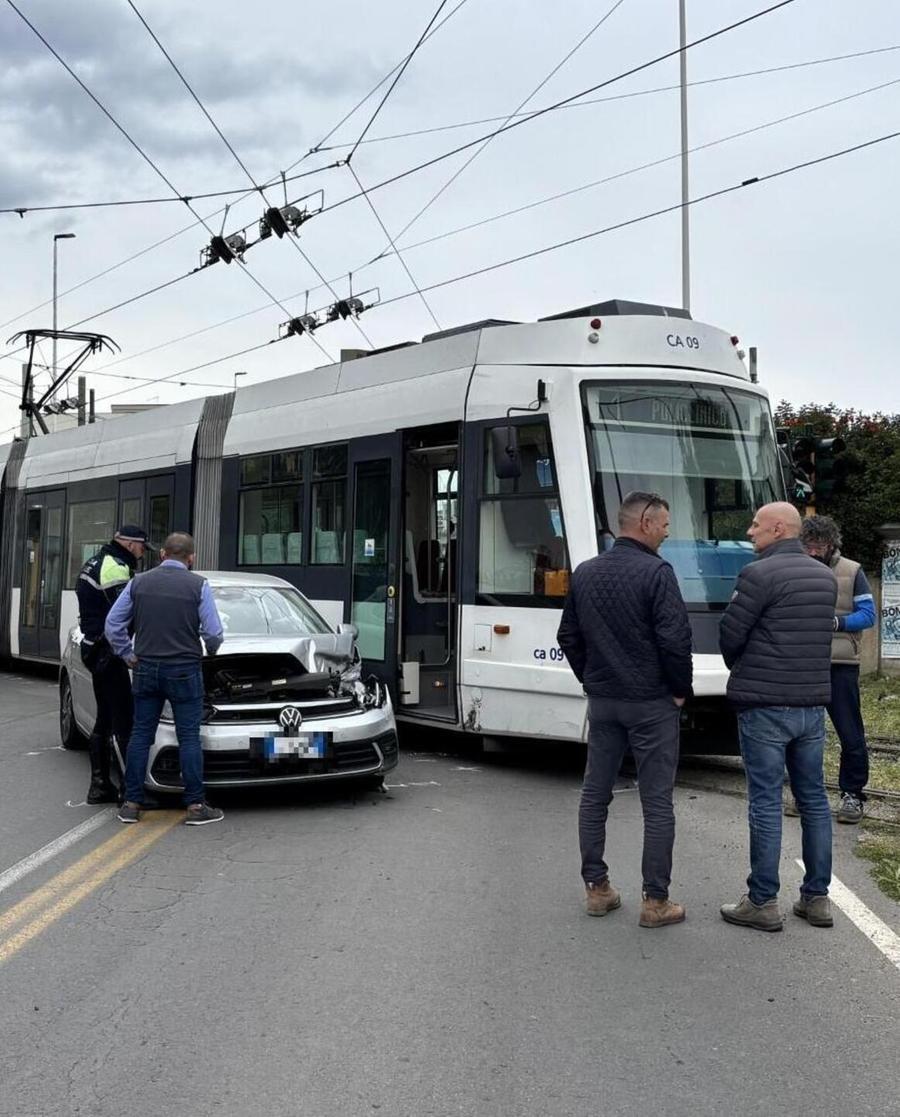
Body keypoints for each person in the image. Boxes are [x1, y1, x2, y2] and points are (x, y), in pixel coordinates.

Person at [557, 491, 692, 929]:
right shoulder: (657, 573)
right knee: (657, 802)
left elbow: (568, 636)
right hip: (652, 703)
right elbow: (674, 640)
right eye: (666, 525)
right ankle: (655, 902)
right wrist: (679, 690)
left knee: (595, 794)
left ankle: (597, 889)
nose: (668, 534)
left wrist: (590, 679)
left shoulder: (586, 573)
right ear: (646, 523)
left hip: (605, 702)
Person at [719, 502, 837, 932]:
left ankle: (763, 901)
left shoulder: (758, 575)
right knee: (814, 801)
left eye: (755, 525)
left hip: (765, 705)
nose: (750, 532)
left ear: (777, 527)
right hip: (811, 708)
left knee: (766, 801)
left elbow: (731, 635)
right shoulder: (824, 576)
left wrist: (743, 667)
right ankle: (817, 897)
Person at [105, 531, 225, 826]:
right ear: (191, 558)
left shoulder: (139, 582)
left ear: (162, 555)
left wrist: (127, 654)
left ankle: (131, 803)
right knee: (188, 737)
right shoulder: (198, 585)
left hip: (146, 667)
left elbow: (113, 624)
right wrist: (209, 651)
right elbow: (213, 632)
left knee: (141, 734)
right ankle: (196, 806)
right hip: (184, 669)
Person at [797, 515, 875, 824]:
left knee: (849, 732)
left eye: (819, 546)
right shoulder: (796, 569)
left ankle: (852, 795)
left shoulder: (852, 571)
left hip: (841, 665)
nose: (813, 552)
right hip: (803, 662)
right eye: (808, 546)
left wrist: (836, 622)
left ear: (832, 545)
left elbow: (868, 615)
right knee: (802, 733)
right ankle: (805, 794)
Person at [75, 525, 149, 803]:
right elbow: (123, 614)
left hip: (96, 649)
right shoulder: (115, 568)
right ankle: (128, 792)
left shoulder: (96, 561)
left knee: (105, 719)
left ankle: (100, 785)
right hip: (110, 652)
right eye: (141, 547)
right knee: (123, 722)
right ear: (130, 545)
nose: (142, 554)